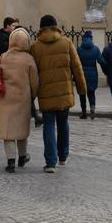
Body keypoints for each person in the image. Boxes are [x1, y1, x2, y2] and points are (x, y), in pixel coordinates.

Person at [30, 14, 86, 173]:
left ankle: (50, 163)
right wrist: (82, 90)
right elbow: (77, 67)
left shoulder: (35, 47)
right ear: (55, 26)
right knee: (63, 123)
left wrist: (31, 96)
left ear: (41, 28)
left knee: (48, 125)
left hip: (46, 94)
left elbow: (32, 74)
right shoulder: (66, 42)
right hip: (64, 92)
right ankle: (63, 155)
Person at [0, 27, 39, 173]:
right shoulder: (28, 59)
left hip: (5, 97)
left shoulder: (3, 57)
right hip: (22, 98)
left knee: (7, 130)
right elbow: (34, 82)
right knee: (21, 129)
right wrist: (32, 95)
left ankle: (10, 161)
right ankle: (22, 156)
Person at [77, 30, 105, 119]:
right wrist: (108, 65)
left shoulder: (79, 49)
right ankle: (92, 108)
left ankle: (84, 112)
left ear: (83, 39)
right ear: (91, 38)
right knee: (91, 93)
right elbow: (101, 61)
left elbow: (76, 63)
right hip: (93, 74)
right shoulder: (95, 49)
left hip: (82, 74)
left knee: (82, 93)